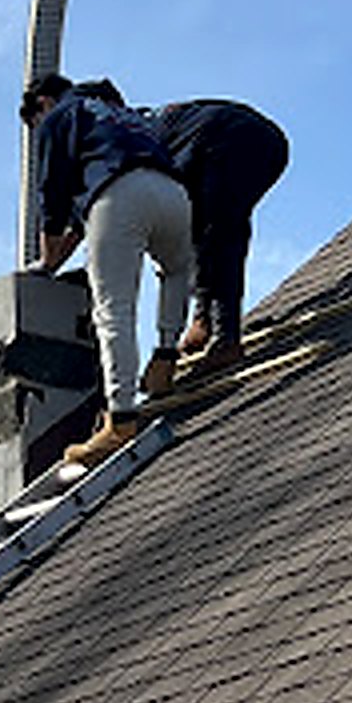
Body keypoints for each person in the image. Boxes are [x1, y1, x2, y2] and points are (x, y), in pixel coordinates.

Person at [20, 74, 191, 466]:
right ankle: (166, 356)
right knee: (176, 270)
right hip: (173, 193)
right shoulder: (116, 113)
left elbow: (54, 197)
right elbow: (89, 223)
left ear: (43, 103)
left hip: (117, 197)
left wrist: (46, 262)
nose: (38, 131)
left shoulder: (60, 116)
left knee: (114, 309)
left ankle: (120, 420)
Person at [148, 99, 290, 373]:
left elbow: (169, 259)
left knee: (219, 234)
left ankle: (225, 340)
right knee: (215, 230)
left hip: (224, 142)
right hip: (266, 141)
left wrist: (165, 349)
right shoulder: (145, 124)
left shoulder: (115, 145)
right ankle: (208, 323)